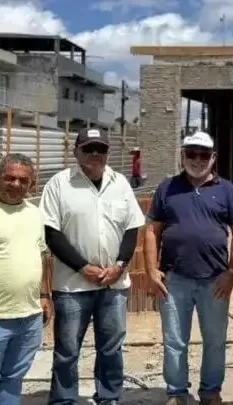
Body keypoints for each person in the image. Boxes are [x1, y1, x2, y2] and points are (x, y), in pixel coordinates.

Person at [40, 128, 144, 405]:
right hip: (72, 286)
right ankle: (64, 400)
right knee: (67, 350)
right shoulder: (59, 184)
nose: (95, 154)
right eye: (88, 149)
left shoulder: (120, 183)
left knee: (111, 348)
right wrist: (83, 267)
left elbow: (131, 229)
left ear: (108, 153)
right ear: (75, 152)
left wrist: (120, 266)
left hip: (114, 284)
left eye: (101, 149)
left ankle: (109, 397)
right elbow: (51, 233)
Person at [144, 131, 233, 405]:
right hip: (175, 279)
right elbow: (151, 230)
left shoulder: (227, 190)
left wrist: (232, 272)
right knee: (174, 341)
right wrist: (151, 270)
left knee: (215, 340)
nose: (197, 160)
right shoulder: (167, 188)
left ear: (213, 157)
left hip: (215, 280)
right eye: (191, 154)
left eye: (204, 154)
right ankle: (177, 393)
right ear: (182, 155)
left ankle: (210, 391)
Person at [0, 153, 51, 405]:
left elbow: (41, 256)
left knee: (13, 377)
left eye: (23, 180)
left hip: (29, 316)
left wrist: (44, 295)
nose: (16, 184)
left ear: (32, 183)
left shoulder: (35, 214)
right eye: (9, 178)